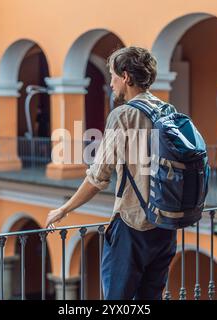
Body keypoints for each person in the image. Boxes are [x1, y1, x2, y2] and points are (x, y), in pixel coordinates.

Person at [45, 47, 177, 300]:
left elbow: (98, 177)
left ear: (126, 77)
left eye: (113, 75)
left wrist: (64, 209)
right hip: (165, 224)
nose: (111, 82)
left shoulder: (123, 115)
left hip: (133, 223)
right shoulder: (167, 110)